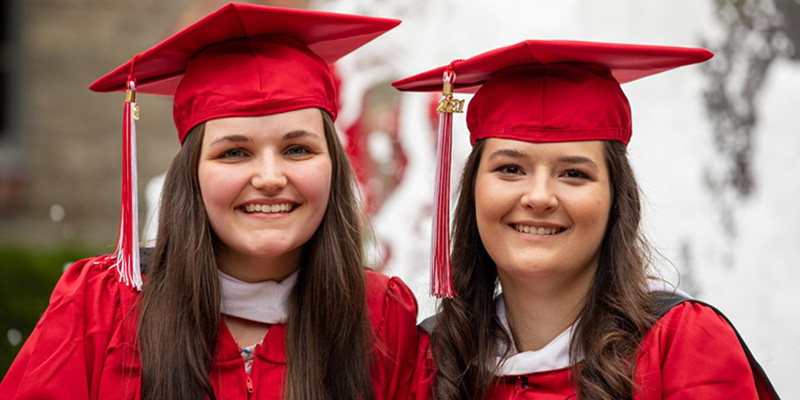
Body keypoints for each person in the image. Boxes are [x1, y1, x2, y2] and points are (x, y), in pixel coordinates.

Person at [0, 4, 417, 400]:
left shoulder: (381, 319)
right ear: (191, 175)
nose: (270, 178)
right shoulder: (103, 308)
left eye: (298, 150)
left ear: (334, 166)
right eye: (234, 152)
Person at [393, 40, 780, 399]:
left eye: (574, 174)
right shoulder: (435, 360)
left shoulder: (680, 344)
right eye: (510, 169)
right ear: (472, 189)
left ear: (616, 199)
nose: (539, 197)